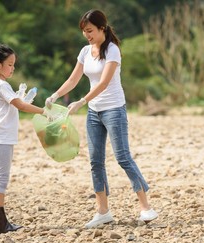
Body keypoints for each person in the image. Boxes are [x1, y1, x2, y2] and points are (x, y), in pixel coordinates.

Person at [45, 10, 158, 229]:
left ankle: (146, 208)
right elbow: (74, 78)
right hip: (94, 113)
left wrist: (81, 101)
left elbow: (104, 83)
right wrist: (55, 95)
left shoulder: (113, 50)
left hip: (114, 109)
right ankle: (103, 212)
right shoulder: (85, 51)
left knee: (123, 157)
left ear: (101, 28)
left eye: (90, 31)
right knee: (95, 162)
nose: (87, 35)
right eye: (84, 32)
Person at [0, 44, 47, 234]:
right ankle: (0, 224)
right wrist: (44, 112)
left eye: (14, 65)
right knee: (1, 180)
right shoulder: (1, 84)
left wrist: (21, 99)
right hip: (1, 138)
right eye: (10, 65)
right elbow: (21, 106)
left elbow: (15, 104)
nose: (13, 68)